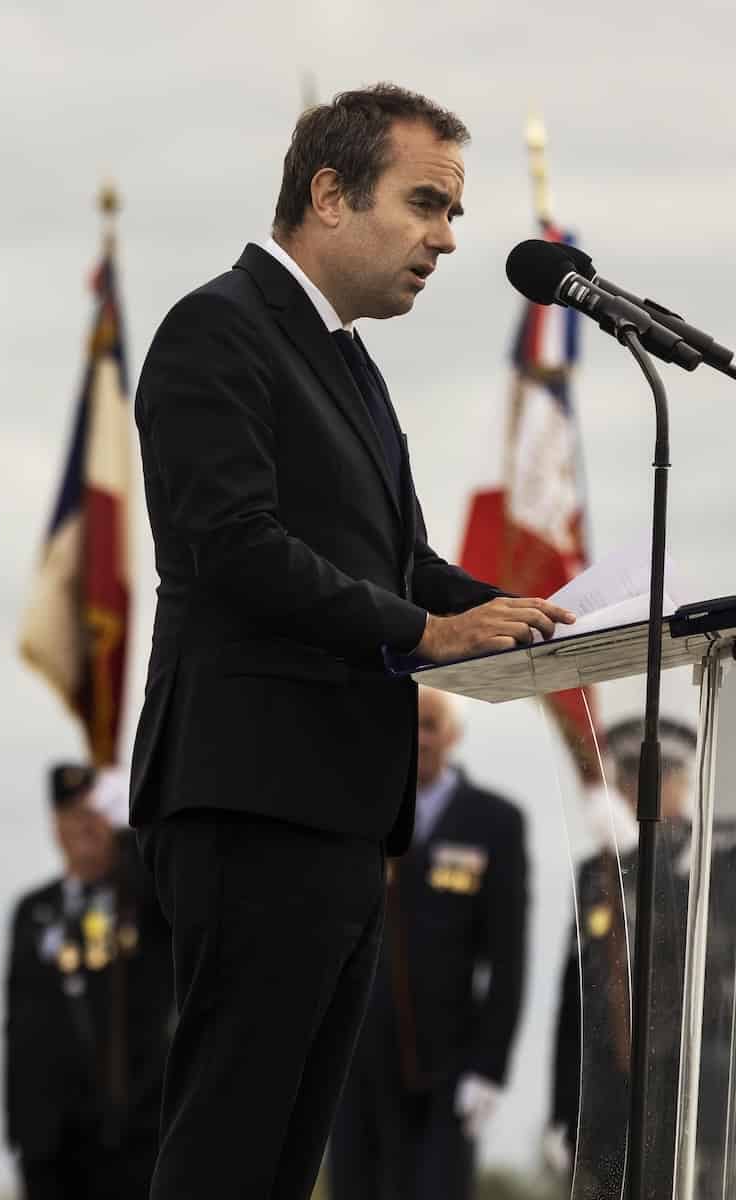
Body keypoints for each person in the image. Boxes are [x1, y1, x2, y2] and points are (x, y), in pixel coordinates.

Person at [126, 82, 574, 1200]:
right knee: (230, 1145)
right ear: (328, 194)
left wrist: (560, 623)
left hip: (337, 808)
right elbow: (232, 546)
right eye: (424, 203)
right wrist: (430, 628)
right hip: (252, 793)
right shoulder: (216, 328)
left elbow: (402, 561)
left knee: (284, 1160)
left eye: (454, 213)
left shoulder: (348, 362)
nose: (447, 237)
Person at [327, 688, 529, 1200]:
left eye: (431, 725)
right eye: (409, 726)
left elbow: (509, 958)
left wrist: (490, 1066)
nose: (419, 740)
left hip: (446, 1067)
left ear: (454, 735)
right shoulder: (355, 815)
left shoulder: (494, 823)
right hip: (358, 1064)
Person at [546, 716, 704, 1194]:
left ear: (680, 783)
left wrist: (639, 858)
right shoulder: (595, 872)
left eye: (653, 778)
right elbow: (575, 992)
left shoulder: (705, 861)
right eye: (628, 778)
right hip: (601, 1096)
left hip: (674, 1094)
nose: (638, 791)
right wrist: (560, 1108)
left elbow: (701, 959)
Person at [3, 764, 173, 1199]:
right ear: (54, 825)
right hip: (51, 1138)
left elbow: (169, 892)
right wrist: (18, 1127)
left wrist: (129, 838)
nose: (83, 825)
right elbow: (17, 1024)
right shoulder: (33, 910)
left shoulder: (138, 895)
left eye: (93, 812)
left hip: (132, 1126)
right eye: (70, 814)